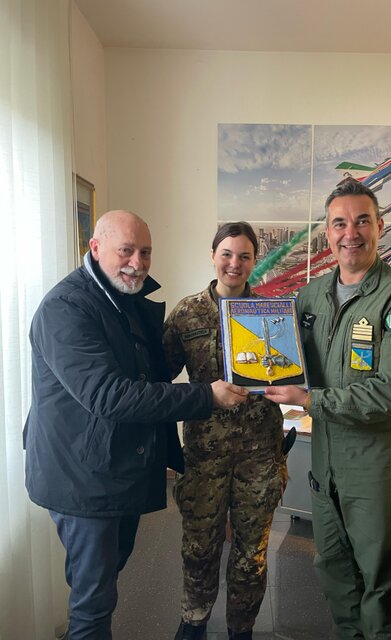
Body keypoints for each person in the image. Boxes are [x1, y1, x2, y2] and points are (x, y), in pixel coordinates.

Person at [23, 210, 248, 640]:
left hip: (111, 470)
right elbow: (108, 395)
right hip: (81, 478)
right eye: (126, 250)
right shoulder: (65, 308)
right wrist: (205, 396)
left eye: (145, 252)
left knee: (105, 581)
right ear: (95, 248)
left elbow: (148, 371)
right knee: (93, 602)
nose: (137, 262)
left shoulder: (120, 298)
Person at [264, 179, 391, 640]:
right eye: (340, 223)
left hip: (375, 467)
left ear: (380, 226)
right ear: (328, 232)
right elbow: (284, 359)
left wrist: (310, 400)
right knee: (334, 570)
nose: (350, 233)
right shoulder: (311, 296)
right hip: (326, 462)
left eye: (361, 221)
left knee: (379, 581)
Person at [162, 222, 288, 640]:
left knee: (251, 554)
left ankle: (241, 628)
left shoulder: (272, 314)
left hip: (260, 456)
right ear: (213, 255)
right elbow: (161, 380)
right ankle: (194, 620)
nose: (235, 264)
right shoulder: (187, 314)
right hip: (205, 457)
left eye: (245, 256)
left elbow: (290, 371)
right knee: (199, 547)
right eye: (227, 254)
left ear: (254, 261)